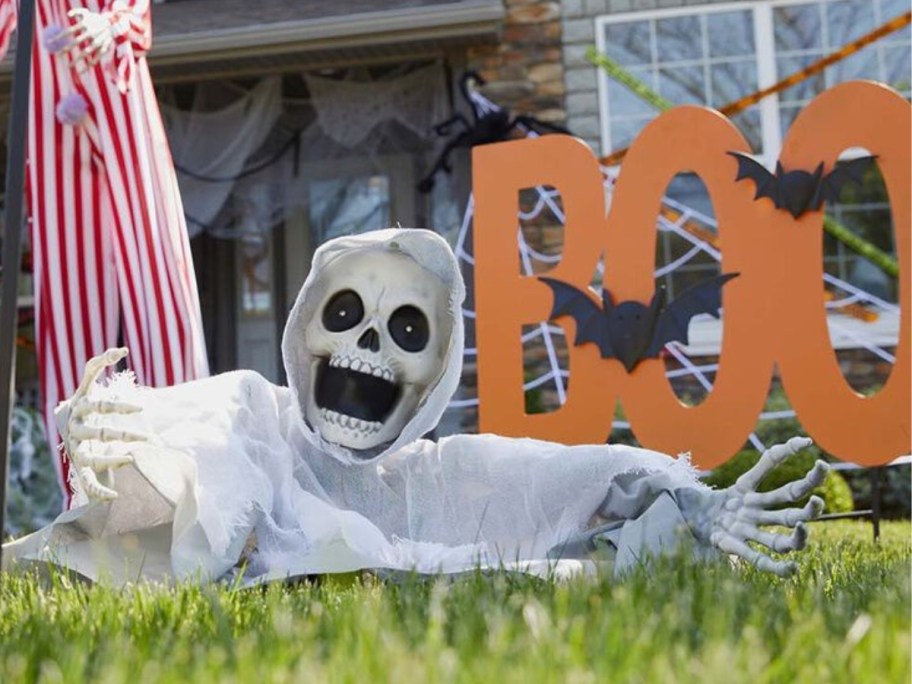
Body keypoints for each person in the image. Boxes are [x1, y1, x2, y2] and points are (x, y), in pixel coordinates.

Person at [3, 229, 826, 584]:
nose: (367, 346)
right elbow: (203, 452)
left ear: (435, 375)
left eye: (404, 329)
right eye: (345, 313)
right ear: (300, 330)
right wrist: (143, 444)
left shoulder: (444, 476)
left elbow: (582, 472)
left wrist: (693, 500)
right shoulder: (254, 412)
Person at [0, 0, 209, 503]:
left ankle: (189, 473)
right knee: (69, 288)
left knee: (156, 272)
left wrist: (112, 24)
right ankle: (89, 498)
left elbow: (134, 11)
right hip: (50, 99)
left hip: (113, 77)